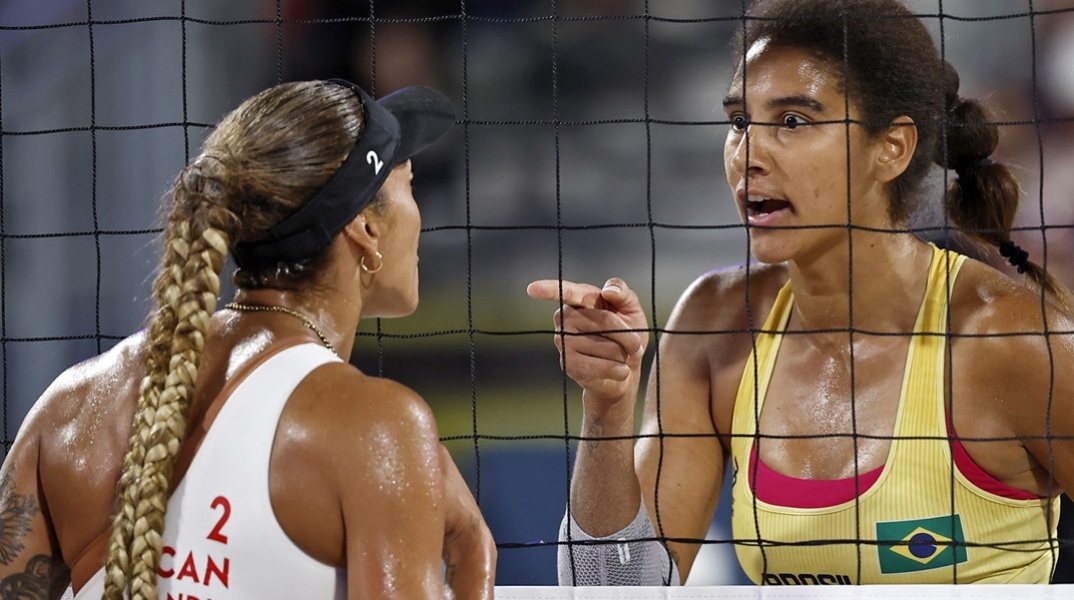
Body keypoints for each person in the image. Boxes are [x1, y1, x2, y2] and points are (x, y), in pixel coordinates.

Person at [528, 0, 1074, 586]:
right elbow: (615, 591)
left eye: (793, 121)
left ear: (892, 147)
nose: (749, 156)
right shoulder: (714, 325)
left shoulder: (1013, 339)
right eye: (739, 122)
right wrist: (609, 406)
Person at [0, 79, 496, 599]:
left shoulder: (72, 404)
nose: (421, 216)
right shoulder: (378, 426)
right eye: (409, 184)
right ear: (365, 231)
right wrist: (472, 549)